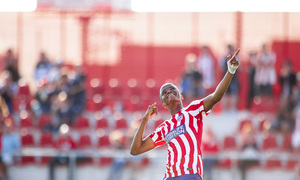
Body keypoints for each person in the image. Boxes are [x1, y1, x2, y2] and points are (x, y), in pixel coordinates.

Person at [130, 49, 240, 180]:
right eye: (164, 93)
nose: (168, 92)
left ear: (181, 96)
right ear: (164, 104)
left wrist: (230, 71)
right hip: (169, 176)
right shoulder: (164, 128)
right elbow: (135, 150)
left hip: (189, 174)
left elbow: (216, 96)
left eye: (172, 89)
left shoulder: (193, 111)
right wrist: (144, 119)